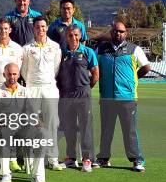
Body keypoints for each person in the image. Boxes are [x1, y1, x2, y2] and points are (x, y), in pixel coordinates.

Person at [96, 19, 150, 172]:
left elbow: (146, 67)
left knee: (129, 131)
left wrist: (133, 79)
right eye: (115, 31)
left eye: (121, 31)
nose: (118, 33)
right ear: (111, 32)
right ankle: (103, 159)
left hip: (127, 98)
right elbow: (93, 67)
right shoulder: (101, 49)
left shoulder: (134, 49)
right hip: (107, 98)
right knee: (106, 130)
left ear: (126, 33)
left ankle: (137, 160)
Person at [0, 63, 47, 182]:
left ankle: (37, 175)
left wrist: (36, 121)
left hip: (22, 127)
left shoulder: (25, 91)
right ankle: (6, 175)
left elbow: (31, 111)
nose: (12, 77)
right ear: (4, 74)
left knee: (42, 134)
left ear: (19, 74)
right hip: (4, 127)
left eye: (14, 74)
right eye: (9, 74)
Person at [21, 16, 62, 171]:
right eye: (37, 27)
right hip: (32, 88)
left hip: (50, 88)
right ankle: (31, 159)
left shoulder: (55, 46)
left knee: (51, 123)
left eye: (43, 26)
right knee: (33, 124)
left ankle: (52, 158)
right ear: (34, 29)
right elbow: (23, 71)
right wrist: (32, 83)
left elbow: (55, 68)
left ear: (47, 28)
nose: (40, 29)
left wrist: (46, 81)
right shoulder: (26, 48)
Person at [57, 25, 99, 172]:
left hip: (83, 95)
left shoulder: (88, 52)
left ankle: (87, 159)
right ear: (66, 37)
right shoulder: (62, 53)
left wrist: (85, 88)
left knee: (86, 127)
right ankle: (71, 158)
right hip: (67, 95)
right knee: (69, 126)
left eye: (75, 35)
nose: (73, 38)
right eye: (70, 35)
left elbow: (95, 74)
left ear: (80, 36)